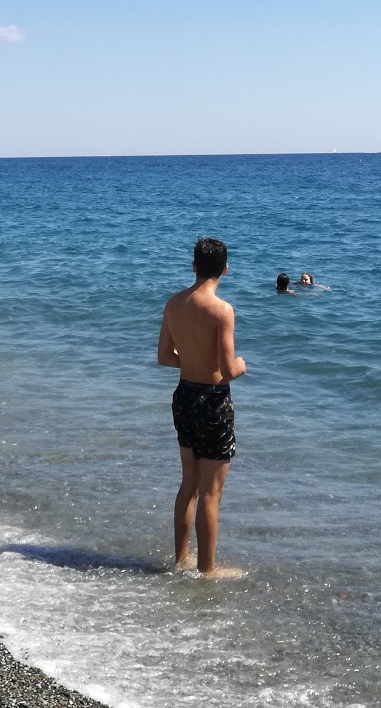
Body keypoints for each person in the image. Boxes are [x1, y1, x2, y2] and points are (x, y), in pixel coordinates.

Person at [158, 236, 246, 578]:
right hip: (212, 400)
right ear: (225, 269)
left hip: (184, 396)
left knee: (188, 484)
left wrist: (193, 361)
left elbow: (165, 357)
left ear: (194, 266)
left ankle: (180, 560)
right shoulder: (221, 310)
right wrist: (243, 363)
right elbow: (227, 370)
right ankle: (207, 571)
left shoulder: (174, 303)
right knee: (212, 491)